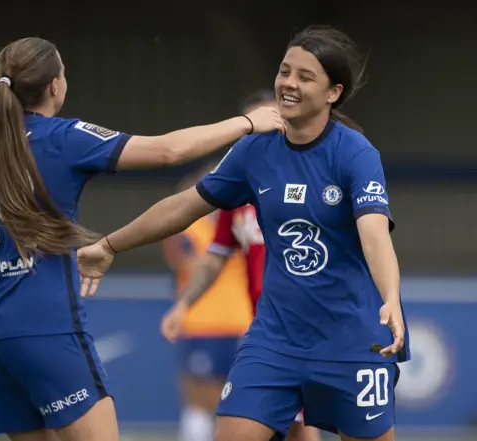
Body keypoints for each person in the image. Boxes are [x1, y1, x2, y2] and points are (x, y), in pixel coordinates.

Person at [0, 37, 286, 441]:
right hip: (47, 324)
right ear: (55, 86)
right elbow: (168, 151)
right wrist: (248, 123)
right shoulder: (64, 137)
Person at [77, 25, 410, 441]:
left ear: (333, 93)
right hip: (274, 340)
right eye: (285, 71)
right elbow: (184, 208)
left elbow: (374, 233)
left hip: (353, 338)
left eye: (305, 77)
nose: (288, 83)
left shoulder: (355, 152)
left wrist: (392, 296)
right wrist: (110, 244)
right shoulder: (253, 152)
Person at [161, 90, 321, 441]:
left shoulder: (311, 177)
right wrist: (185, 303)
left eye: (265, 126)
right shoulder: (238, 192)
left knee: (296, 425)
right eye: (249, 130)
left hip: (305, 327)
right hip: (263, 331)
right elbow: (217, 252)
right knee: (283, 425)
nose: (255, 137)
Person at [161, 161, 253, 441]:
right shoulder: (244, 224)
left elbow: (177, 257)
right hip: (242, 323)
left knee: (200, 405)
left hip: (204, 323)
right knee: (240, 407)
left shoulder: (193, 231)